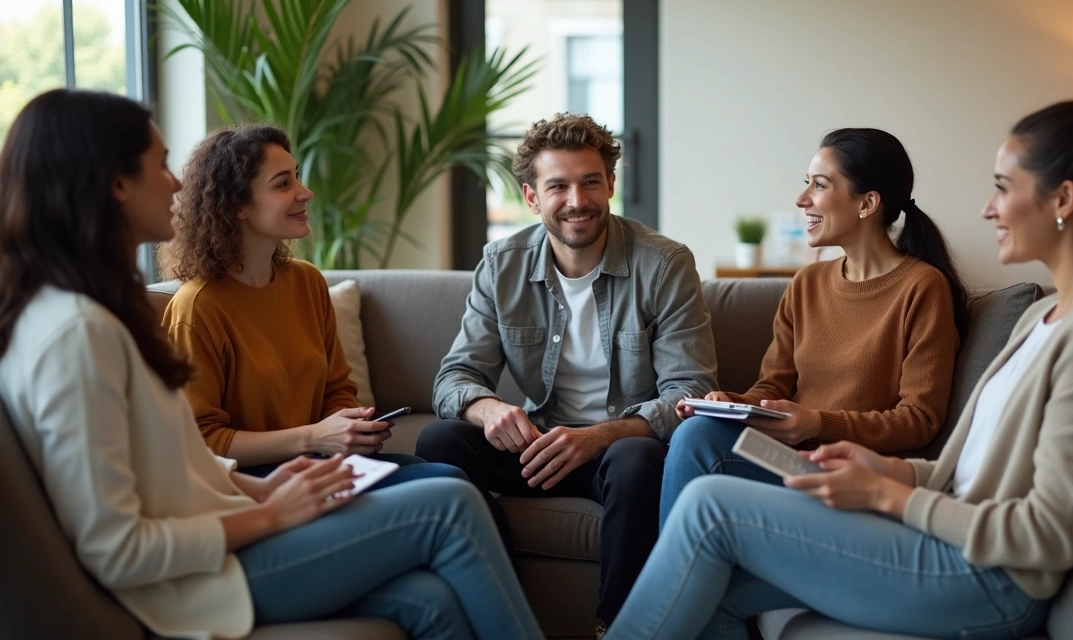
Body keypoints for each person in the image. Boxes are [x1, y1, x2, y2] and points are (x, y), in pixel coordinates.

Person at [605, 78, 1073, 640]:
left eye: (1003, 187)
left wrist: (886, 493)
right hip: (952, 541)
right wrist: (891, 472)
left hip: (993, 581)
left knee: (709, 505)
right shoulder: (1044, 319)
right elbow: (971, 475)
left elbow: (1047, 537)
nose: (987, 209)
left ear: (1064, 200)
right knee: (711, 588)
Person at [0, 89, 542, 640]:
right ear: (115, 184)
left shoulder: (90, 315)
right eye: (160, 164)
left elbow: (173, 460)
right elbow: (117, 549)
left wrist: (268, 487)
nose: (177, 183)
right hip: (189, 585)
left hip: (225, 532)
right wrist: (272, 513)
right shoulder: (77, 335)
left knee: (430, 600)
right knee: (449, 502)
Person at [415, 113, 717, 631]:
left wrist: (598, 437)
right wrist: (488, 409)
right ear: (532, 197)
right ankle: (504, 613)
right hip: (542, 447)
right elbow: (455, 377)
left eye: (590, 182)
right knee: (440, 441)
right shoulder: (500, 264)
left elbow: (692, 391)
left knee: (637, 458)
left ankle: (618, 626)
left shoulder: (664, 264)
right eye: (558, 186)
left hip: (621, 452)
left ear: (611, 185)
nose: (577, 201)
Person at [660, 127, 966, 526]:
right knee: (698, 430)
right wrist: (731, 404)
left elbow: (919, 419)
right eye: (807, 184)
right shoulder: (807, 283)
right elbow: (773, 387)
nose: (802, 199)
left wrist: (818, 423)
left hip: (850, 475)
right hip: (788, 457)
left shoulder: (923, 288)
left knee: (693, 442)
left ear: (867, 203)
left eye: (819, 185)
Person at [157, 124, 463, 487]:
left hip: (322, 461)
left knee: (455, 478)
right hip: (254, 481)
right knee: (446, 485)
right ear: (238, 203)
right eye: (283, 183)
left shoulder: (306, 282)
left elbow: (337, 389)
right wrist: (315, 436)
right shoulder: (196, 308)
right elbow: (202, 442)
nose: (305, 193)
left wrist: (349, 428)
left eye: (297, 178)